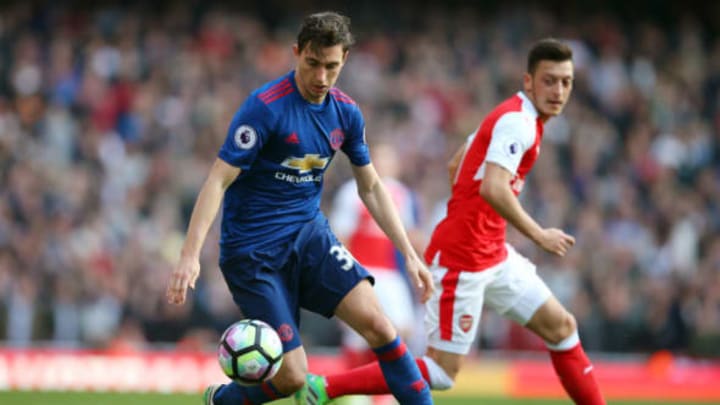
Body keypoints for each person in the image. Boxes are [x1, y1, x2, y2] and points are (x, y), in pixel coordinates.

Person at [295, 38, 606, 405]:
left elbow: (457, 163)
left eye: (565, 82)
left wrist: (468, 215)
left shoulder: (516, 118)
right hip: (463, 260)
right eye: (549, 80)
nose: (558, 91)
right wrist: (538, 235)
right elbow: (493, 188)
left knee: (562, 327)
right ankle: (324, 388)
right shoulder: (518, 124)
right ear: (528, 81)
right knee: (441, 372)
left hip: (492, 254)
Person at [164, 11, 434, 405]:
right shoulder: (265, 108)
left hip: (308, 236)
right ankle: (222, 401)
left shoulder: (346, 113)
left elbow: (372, 186)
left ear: (344, 62)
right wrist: (189, 255)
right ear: (296, 53)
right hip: (253, 252)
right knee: (292, 377)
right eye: (313, 64)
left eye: (332, 67)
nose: (321, 77)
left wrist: (409, 255)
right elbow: (218, 179)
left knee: (381, 325)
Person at [329, 142, 424, 405]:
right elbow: (340, 237)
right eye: (380, 158)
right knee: (361, 335)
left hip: (390, 275)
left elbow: (409, 235)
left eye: (389, 158)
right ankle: (355, 393)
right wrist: (343, 278)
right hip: (362, 272)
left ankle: (382, 391)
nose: (385, 163)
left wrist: (426, 258)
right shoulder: (351, 192)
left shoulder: (401, 194)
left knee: (402, 330)